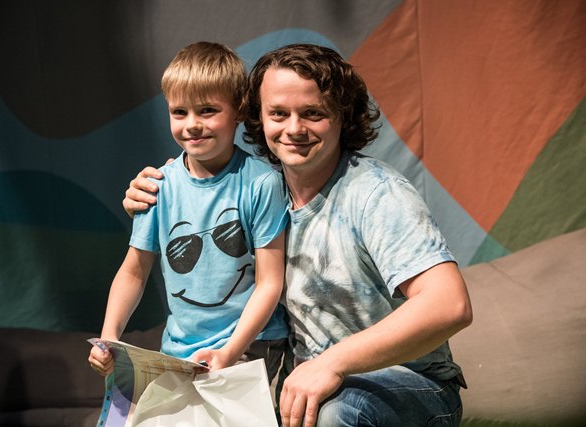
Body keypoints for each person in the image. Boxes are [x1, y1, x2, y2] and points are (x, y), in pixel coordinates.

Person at [123, 43, 473, 427]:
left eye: (313, 113)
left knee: (337, 411)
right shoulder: (260, 191)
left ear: (343, 116)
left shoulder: (377, 193)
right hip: (306, 387)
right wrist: (154, 194)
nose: (294, 129)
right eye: (278, 113)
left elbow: (449, 305)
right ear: (256, 117)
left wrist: (332, 363)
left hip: (409, 384)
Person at [88, 41, 289, 383]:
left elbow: (269, 282)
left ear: (239, 110)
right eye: (180, 112)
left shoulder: (261, 183)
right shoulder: (157, 185)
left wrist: (229, 352)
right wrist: (110, 337)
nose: (192, 124)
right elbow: (134, 272)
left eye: (207, 110)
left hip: (251, 346)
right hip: (178, 351)